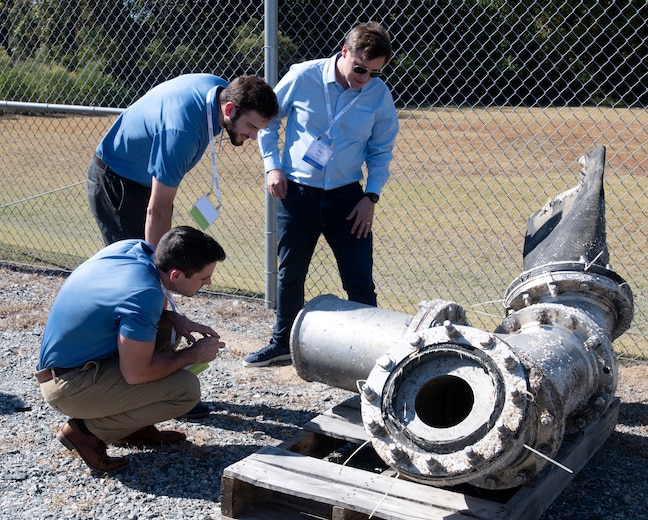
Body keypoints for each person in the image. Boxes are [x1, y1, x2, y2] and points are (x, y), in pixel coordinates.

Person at [243, 21, 399, 367]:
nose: (365, 78)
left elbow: (381, 149)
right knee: (291, 272)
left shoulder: (378, 95)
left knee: (359, 278)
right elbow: (268, 121)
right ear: (345, 52)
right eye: (360, 68)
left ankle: (371, 354)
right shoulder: (303, 76)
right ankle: (282, 343)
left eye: (374, 73)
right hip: (297, 192)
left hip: (348, 199)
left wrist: (369, 197)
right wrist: (273, 166)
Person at [36, 226, 226, 473]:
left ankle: (132, 425)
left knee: (165, 331)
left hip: (70, 367)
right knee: (186, 390)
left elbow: (120, 306)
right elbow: (136, 374)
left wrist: (174, 319)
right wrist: (193, 355)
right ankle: (85, 434)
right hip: (68, 386)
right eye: (204, 277)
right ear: (176, 275)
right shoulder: (145, 295)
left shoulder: (136, 249)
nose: (209, 281)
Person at [88, 73, 280, 249]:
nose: (254, 137)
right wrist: (160, 278)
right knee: (133, 271)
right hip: (117, 183)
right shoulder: (182, 133)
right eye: (251, 126)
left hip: (141, 180)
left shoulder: (219, 91)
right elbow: (158, 210)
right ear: (229, 109)